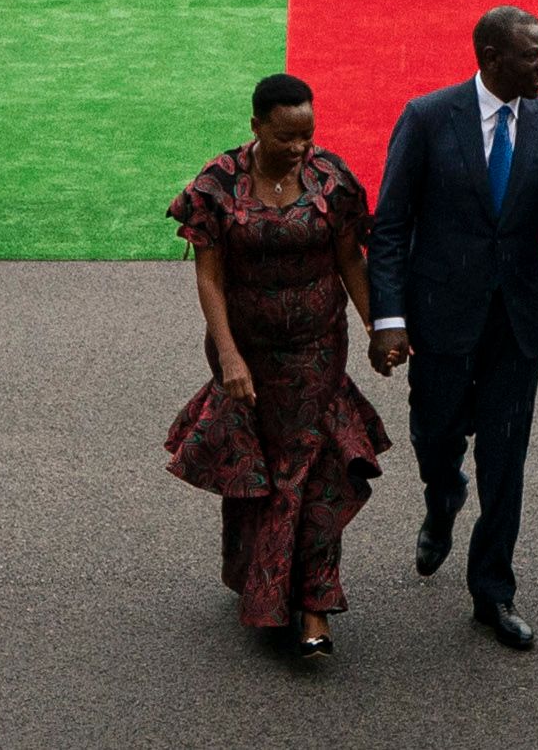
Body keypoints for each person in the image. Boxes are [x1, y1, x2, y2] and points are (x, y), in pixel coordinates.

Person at [367, 4, 538, 650]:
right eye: (534, 53)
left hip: (517, 322)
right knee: (434, 435)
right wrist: (390, 316)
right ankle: (442, 494)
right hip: (441, 318)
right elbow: (392, 224)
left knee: (506, 461)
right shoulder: (429, 117)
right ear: (491, 57)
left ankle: (493, 591)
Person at [164, 73, 394, 661]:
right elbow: (209, 278)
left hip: (318, 350)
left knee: (310, 469)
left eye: (307, 135)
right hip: (248, 356)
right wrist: (231, 357)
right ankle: (256, 580)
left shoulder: (331, 178)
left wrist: (379, 328)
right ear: (257, 126)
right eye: (286, 136)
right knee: (261, 469)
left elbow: (350, 260)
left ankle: (314, 603)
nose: (299, 148)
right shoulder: (218, 185)